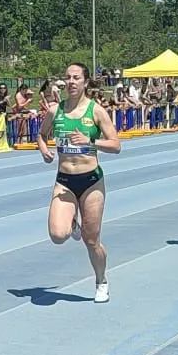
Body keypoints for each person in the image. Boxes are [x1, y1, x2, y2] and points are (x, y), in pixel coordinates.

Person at [36, 63, 120, 302]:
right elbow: (41, 134)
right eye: (68, 78)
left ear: (85, 82)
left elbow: (116, 145)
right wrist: (44, 149)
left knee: (91, 240)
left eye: (76, 78)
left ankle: (101, 281)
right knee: (57, 235)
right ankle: (72, 222)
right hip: (64, 181)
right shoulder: (55, 111)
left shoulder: (96, 111)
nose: (71, 82)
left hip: (91, 181)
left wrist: (90, 142)